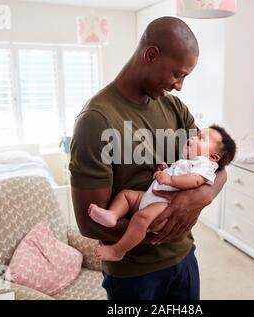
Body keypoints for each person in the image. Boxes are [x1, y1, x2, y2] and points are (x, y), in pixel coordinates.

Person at [69, 16, 229, 300]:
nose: (179, 86)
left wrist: (199, 198)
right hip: (135, 276)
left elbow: (218, 169)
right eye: (177, 74)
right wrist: (159, 228)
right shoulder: (97, 120)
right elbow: (88, 222)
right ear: (151, 55)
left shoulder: (174, 107)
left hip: (184, 258)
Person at [89, 126, 236, 262]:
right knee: (127, 196)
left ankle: (118, 250)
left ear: (214, 157)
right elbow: (181, 173)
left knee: (141, 218)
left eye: (201, 138)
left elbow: (196, 181)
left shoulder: (205, 165)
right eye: (196, 135)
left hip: (164, 206)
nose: (193, 138)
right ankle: (112, 215)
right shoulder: (188, 161)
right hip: (151, 197)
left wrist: (170, 179)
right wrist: (166, 170)